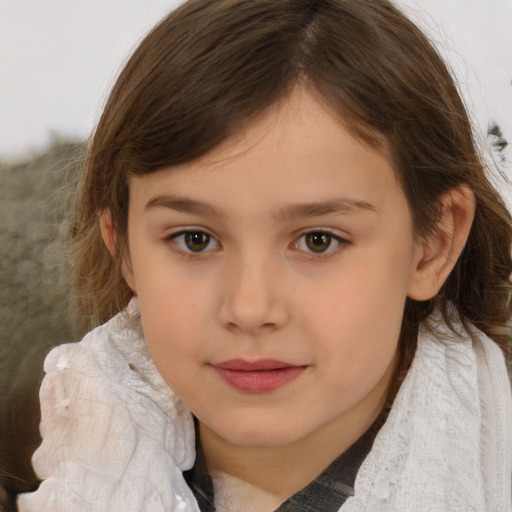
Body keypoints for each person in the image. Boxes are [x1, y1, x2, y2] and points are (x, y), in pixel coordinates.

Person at [17, 0, 512, 510]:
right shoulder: (61, 458)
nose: (250, 309)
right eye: (195, 239)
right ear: (122, 246)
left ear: (432, 244)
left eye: (319, 241)